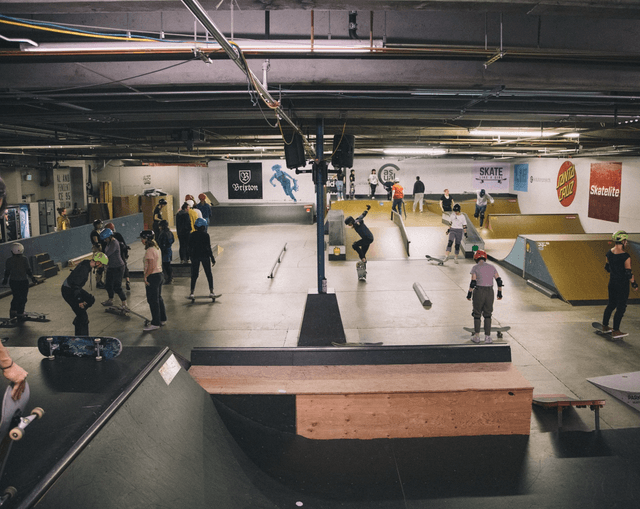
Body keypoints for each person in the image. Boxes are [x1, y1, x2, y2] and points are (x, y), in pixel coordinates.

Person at [602, 230, 639, 338]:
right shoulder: (625, 256)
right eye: (625, 240)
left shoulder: (609, 253)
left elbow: (607, 268)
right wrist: (634, 283)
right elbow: (628, 273)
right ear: (623, 241)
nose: (626, 242)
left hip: (612, 283)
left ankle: (605, 326)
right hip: (622, 285)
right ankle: (616, 330)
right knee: (621, 307)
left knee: (611, 304)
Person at [61, 252, 108, 336]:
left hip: (73, 287)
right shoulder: (84, 270)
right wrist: (80, 301)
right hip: (68, 291)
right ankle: (81, 338)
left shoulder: (87, 263)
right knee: (83, 317)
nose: (101, 267)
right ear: (97, 262)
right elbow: (76, 287)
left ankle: (78, 318)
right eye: (101, 265)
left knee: (90, 299)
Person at [466, 249, 504, 344]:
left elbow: (473, 282)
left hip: (479, 291)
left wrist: (469, 294)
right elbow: (499, 281)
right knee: (488, 315)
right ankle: (488, 337)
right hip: (489, 292)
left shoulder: (475, 267)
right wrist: (499, 293)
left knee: (477, 314)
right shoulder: (492, 267)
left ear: (476, 258)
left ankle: (477, 336)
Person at [2, 242, 37, 319]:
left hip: (13, 281)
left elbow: (7, 271)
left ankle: (13, 311)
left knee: (16, 296)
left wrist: (5, 280)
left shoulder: (9, 260)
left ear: (12, 251)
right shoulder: (24, 259)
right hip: (23, 281)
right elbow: (28, 270)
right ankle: (20, 311)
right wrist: (33, 278)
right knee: (23, 297)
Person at [141, 230, 166, 332]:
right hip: (159, 275)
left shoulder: (150, 250)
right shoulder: (156, 247)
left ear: (146, 239)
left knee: (152, 300)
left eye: (142, 239)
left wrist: (146, 277)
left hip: (153, 276)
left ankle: (155, 322)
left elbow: (151, 266)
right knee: (158, 298)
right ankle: (162, 318)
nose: (141, 241)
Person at [99, 228, 128, 310]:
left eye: (105, 239)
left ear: (110, 237)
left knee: (117, 286)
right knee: (108, 284)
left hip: (118, 267)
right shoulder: (108, 243)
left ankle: (124, 303)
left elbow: (107, 254)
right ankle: (110, 299)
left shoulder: (114, 243)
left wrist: (98, 259)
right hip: (111, 267)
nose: (104, 240)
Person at [188, 218, 217, 299]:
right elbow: (208, 247)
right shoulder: (206, 235)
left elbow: (189, 247)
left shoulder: (192, 235)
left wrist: (190, 256)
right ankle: (211, 291)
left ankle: (192, 292)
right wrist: (212, 258)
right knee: (208, 274)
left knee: (194, 274)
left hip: (195, 256)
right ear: (203, 227)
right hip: (205, 256)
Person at [105, 222, 131, 291]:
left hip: (113, 256)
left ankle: (115, 283)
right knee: (125, 266)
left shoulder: (109, 238)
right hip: (121, 253)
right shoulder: (118, 235)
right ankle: (127, 280)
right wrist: (126, 253)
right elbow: (124, 245)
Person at [90, 219, 106, 288]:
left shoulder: (99, 231)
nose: (100, 225)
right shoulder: (94, 232)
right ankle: (98, 282)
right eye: (99, 224)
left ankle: (100, 281)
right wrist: (100, 250)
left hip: (100, 250)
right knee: (100, 267)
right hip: (98, 250)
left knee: (102, 267)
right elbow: (96, 243)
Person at [157, 220, 175, 284]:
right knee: (168, 264)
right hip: (169, 250)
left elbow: (161, 243)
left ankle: (168, 278)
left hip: (164, 251)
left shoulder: (163, 233)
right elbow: (173, 240)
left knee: (166, 265)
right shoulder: (169, 232)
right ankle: (170, 277)